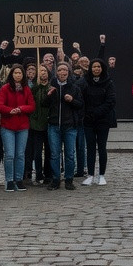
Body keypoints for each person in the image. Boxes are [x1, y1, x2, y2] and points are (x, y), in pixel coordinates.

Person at [44, 60, 84, 190]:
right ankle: (56, 179)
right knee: (55, 154)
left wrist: (72, 100)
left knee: (70, 154)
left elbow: (80, 105)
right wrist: (48, 96)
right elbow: (44, 104)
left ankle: (69, 179)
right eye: (60, 70)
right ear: (56, 72)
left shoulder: (74, 87)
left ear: (69, 72)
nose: (62, 72)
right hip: (54, 125)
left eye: (65, 70)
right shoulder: (52, 86)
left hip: (69, 126)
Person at [0, 63, 34, 193]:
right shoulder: (5, 88)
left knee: (20, 154)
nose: (18, 75)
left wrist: (21, 109)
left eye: (20, 73)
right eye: (15, 73)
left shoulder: (26, 89)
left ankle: (19, 179)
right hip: (8, 126)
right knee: (10, 154)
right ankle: (9, 180)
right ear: (11, 74)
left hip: (22, 126)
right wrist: (10, 110)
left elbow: (32, 106)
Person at [80, 57, 116, 186]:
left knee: (102, 147)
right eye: (94, 66)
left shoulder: (108, 82)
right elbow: (81, 97)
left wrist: (97, 111)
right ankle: (90, 175)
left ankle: (101, 175)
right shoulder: (85, 81)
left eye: (98, 67)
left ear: (102, 68)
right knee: (90, 148)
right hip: (88, 120)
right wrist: (88, 113)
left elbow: (111, 101)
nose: (96, 69)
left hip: (103, 120)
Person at [28, 65, 53, 186]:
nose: (43, 73)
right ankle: (38, 174)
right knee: (37, 152)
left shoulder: (51, 87)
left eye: (44, 71)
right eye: (40, 71)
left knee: (49, 150)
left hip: (48, 122)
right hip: (36, 123)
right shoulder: (34, 88)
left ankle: (48, 174)